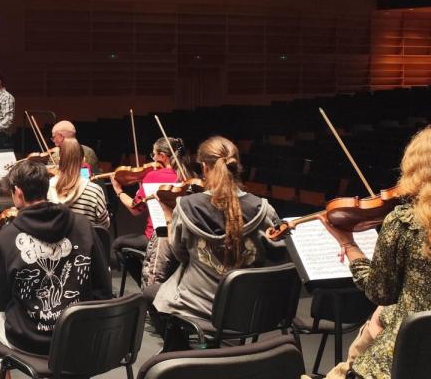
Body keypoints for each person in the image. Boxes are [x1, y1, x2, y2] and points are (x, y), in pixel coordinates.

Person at [0, 160, 112, 372]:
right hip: (80, 338)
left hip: (33, 342)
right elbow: (103, 289)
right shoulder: (83, 225)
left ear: (18, 191)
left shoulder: (9, 236)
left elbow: (0, 301)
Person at [315, 127, 431, 379]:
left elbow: (380, 292)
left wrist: (349, 244)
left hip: (405, 361)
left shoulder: (405, 223)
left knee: (378, 318)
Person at [148, 136, 283, 349]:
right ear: (237, 166)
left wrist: (168, 215)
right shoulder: (264, 210)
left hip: (196, 305)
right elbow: (277, 254)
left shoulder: (186, 206)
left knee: (151, 292)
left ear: (204, 167)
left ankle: (179, 349)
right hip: (246, 307)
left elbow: (179, 254)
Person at [110, 137, 189, 287]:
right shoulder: (187, 177)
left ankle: (147, 284)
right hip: (182, 239)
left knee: (118, 244)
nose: (152, 159)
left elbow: (135, 209)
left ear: (163, 156)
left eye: (153, 155)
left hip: (156, 236)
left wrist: (119, 191)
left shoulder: (152, 176)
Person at [48, 138, 110, 229]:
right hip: (85, 242)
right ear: (83, 161)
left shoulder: (47, 187)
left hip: (55, 241)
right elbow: (104, 225)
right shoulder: (94, 191)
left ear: (60, 160)